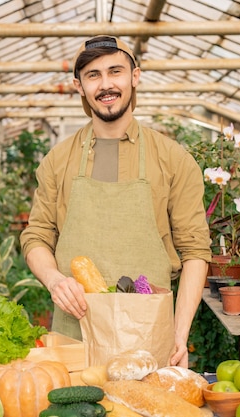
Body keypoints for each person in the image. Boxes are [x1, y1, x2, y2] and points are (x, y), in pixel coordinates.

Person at [19, 35, 211, 367]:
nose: (106, 85)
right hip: (74, 339)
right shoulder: (58, 160)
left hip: (149, 341)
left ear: (134, 76)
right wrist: (54, 280)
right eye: (93, 75)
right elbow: (36, 237)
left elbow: (195, 251)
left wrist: (178, 335)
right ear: (79, 86)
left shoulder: (172, 158)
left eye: (115, 71)